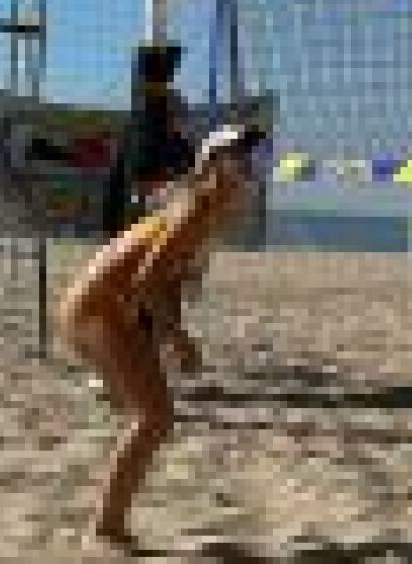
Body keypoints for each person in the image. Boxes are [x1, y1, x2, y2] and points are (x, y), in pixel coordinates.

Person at [56, 124, 266, 549]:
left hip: (111, 310)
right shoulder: (193, 211)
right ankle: (107, 526)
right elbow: (147, 280)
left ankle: (109, 522)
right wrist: (179, 337)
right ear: (212, 165)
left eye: (251, 156)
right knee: (154, 418)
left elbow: (164, 281)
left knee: (151, 416)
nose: (248, 164)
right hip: (96, 310)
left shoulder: (203, 211)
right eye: (238, 155)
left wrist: (171, 334)